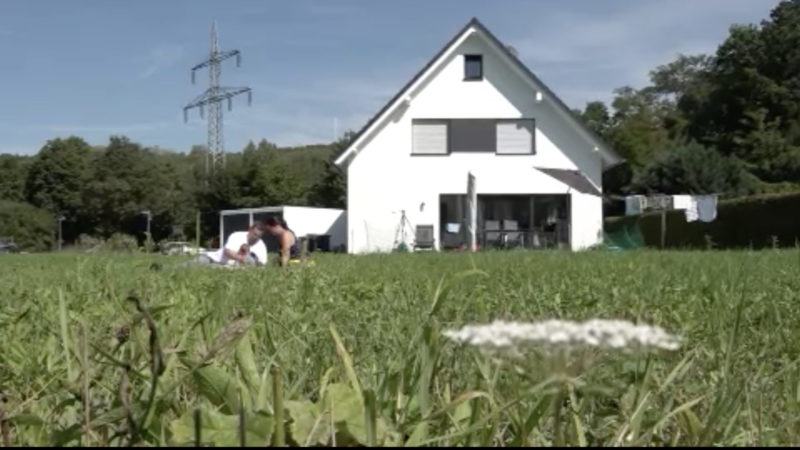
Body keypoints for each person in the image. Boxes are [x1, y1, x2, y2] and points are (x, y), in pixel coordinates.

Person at [196, 221, 268, 266]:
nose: (256, 237)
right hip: (212, 259)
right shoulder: (236, 236)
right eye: (254, 234)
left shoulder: (261, 246)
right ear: (249, 230)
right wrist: (241, 258)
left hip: (227, 267)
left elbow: (262, 264)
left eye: (258, 236)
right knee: (189, 266)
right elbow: (228, 252)